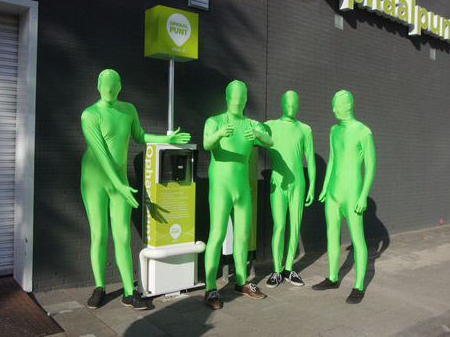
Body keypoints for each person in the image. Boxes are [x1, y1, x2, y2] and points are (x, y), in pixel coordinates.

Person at [81, 69, 190, 310]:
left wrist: (167, 140)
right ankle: (99, 286)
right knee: (99, 234)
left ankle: (129, 293)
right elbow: (99, 153)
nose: (109, 91)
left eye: (113, 86)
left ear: (120, 86)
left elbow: (139, 136)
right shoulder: (89, 115)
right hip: (94, 180)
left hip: (119, 181)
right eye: (105, 86)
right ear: (98, 86)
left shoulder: (128, 110)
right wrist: (119, 184)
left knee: (122, 235)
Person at [203, 80, 274, 309]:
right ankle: (210, 287)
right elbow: (206, 144)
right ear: (227, 96)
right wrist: (220, 133)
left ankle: (242, 282)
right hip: (221, 188)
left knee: (243, 236)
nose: (239, 100)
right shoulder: (214, 121)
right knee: (216, 236)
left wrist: (257, 134)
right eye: (235, 96)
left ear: (246, 98)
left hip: (243, 188)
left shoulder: (252, 124)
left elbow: (270, 141)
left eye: (242, 96)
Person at [312, 90, 376, 304]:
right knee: (332, 236)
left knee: (358, 239)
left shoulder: (363, 131)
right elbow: (332, 159)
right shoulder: (333, 130)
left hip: (352, 194)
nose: (333, 109)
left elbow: (371, 165)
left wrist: (363, 195)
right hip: (333, 193)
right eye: (332, 105)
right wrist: (324, 187)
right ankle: (332, 277)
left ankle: (358, 286)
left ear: (347, 106)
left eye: (335, 106)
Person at [263, 91, 316, 288]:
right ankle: (276, 270)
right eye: (288, 104)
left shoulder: (305, 129)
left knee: (295, 226)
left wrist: (312, 186)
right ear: (282, 103)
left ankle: (289, 268)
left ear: (298, 104)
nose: (291, 108)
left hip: (299, 184)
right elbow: (252, 141)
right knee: (279, 226)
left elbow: (310, 159)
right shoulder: (271, 125)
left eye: (295, 104)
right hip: (278, 183)